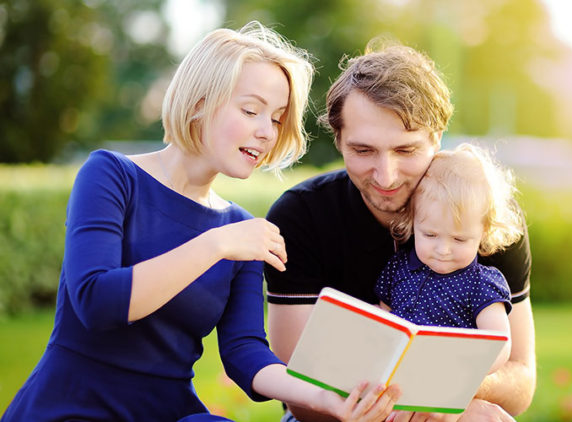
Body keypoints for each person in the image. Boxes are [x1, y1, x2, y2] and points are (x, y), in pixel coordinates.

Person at [2, 23, 400, 422]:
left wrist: (326, 398)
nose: (266, 132)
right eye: (250, 110)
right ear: (199, 102)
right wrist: (216, 245)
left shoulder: (240, 229)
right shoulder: (111, 176)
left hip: (169, 412)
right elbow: (97, 301)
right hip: (73, 406)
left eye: (277, 119)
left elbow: (245, 353)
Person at [265, 40, 536, 422]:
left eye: (406, 151)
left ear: (437, 137)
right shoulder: (301, 218)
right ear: (339, 140)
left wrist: (444, 393)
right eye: (363, 151)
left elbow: (521, 384)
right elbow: (302, 400)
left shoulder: (485, 217)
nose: (386, 176)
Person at [376, 143, 527, 378]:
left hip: (445, 379)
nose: (443, 249)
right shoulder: (399, 267)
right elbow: (381, 315)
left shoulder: (482, 284)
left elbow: (499, 343)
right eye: (430, 235)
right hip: (394, 375)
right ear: (413, 221)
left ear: (484, 233)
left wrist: (463, 377)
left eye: (459, 239)